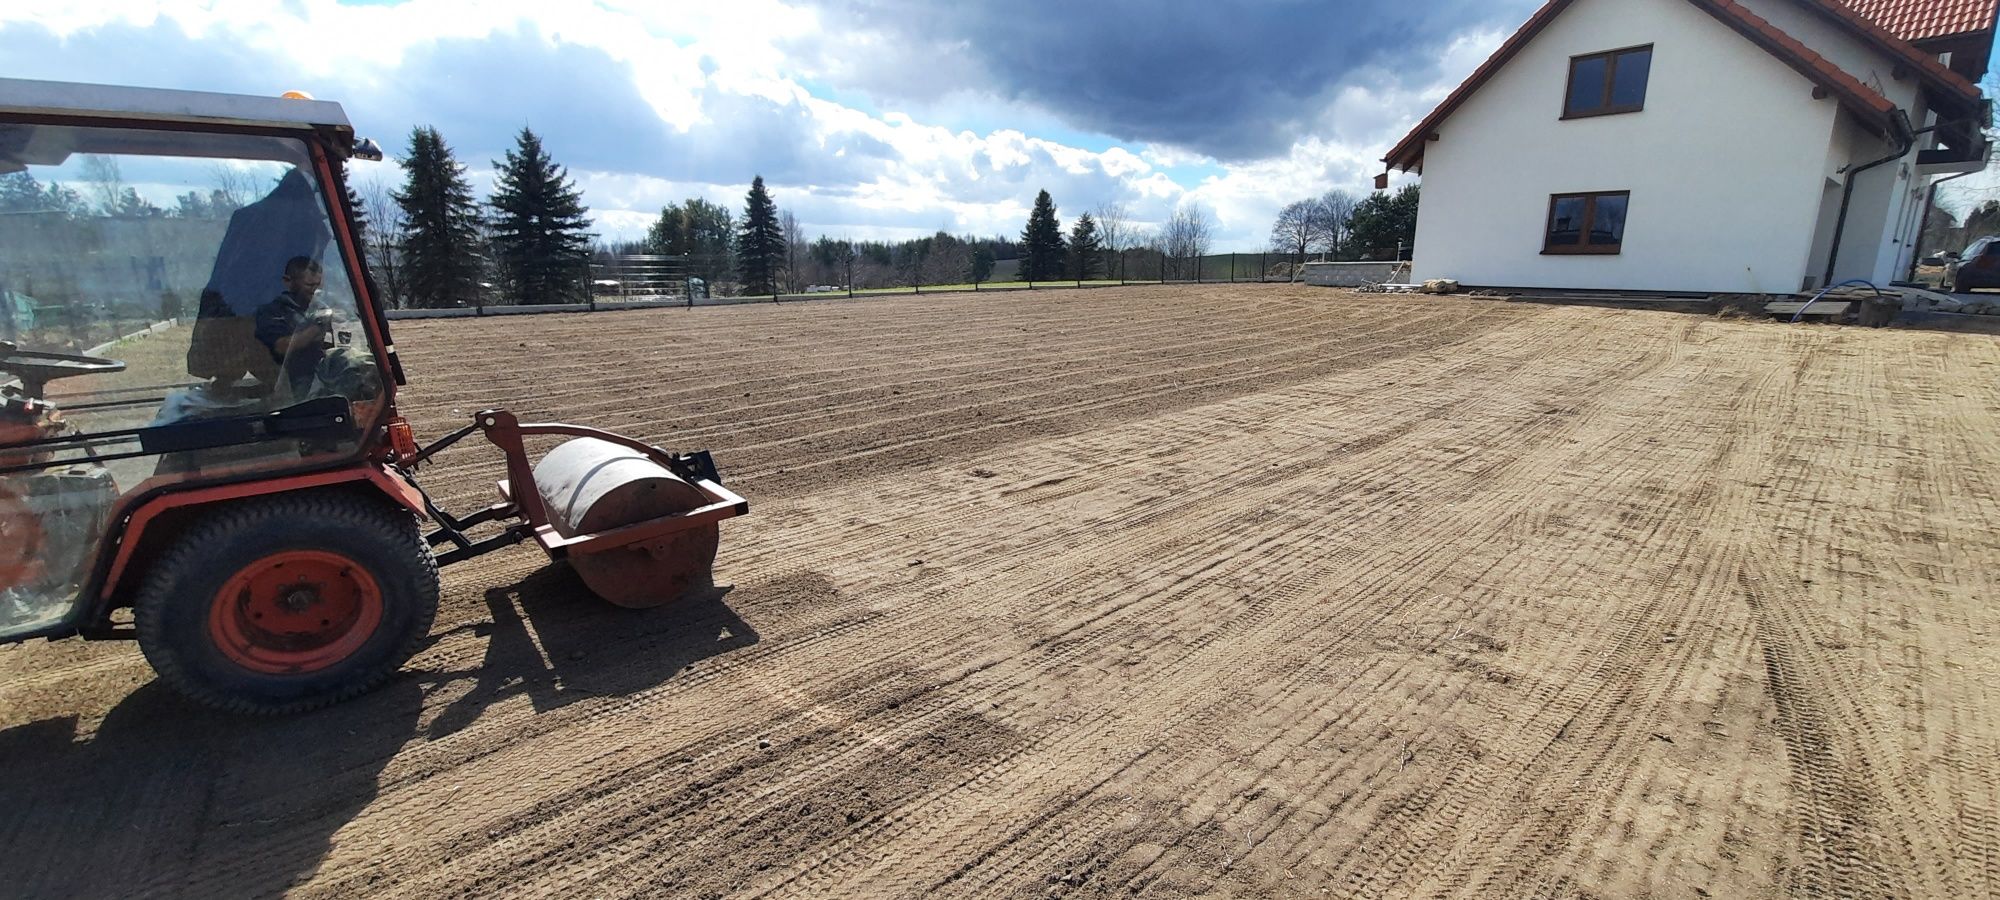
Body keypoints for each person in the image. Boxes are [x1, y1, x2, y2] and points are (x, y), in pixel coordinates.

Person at [253, 257, 327, 398]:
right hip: (288, 381)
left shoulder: (321, 309)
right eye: (309, 286)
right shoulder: (272, 312)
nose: (315, 291)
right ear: (288, 281)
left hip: (323, 373)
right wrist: (317, 328)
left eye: (318, 286)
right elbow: (282, 347)